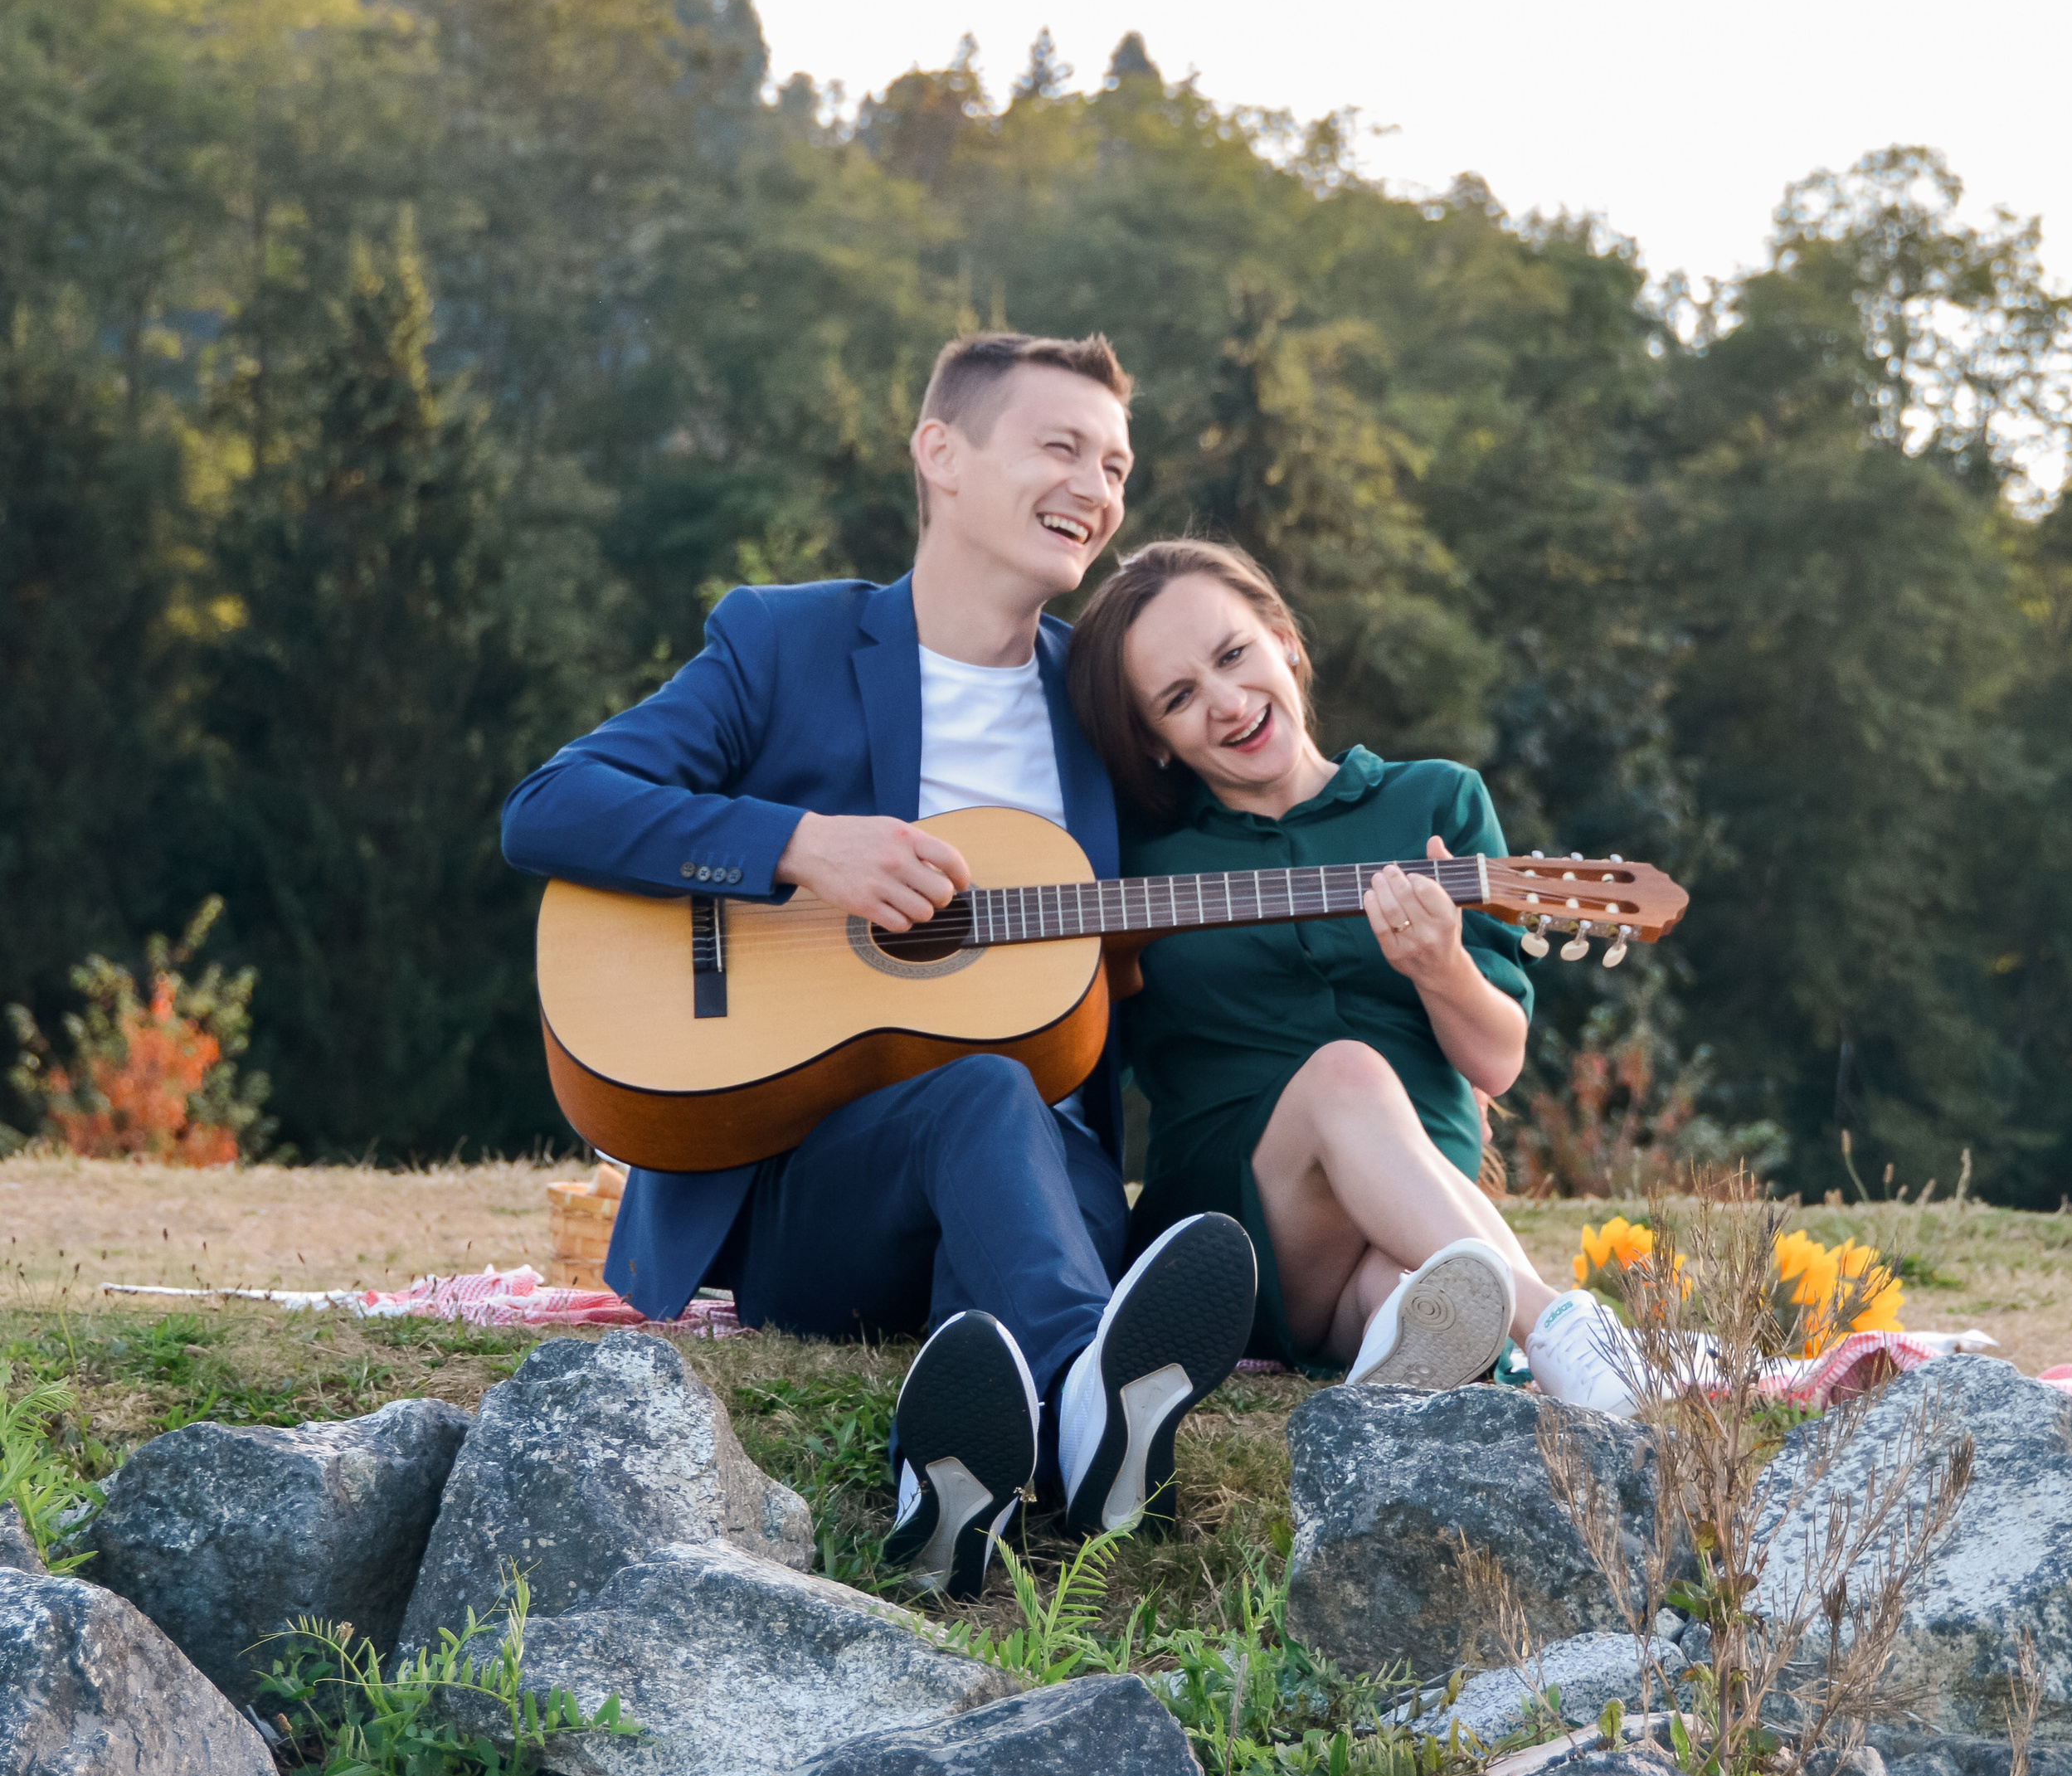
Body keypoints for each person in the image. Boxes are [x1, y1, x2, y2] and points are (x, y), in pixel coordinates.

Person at [500, 336, 1257, 1599]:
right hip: (818, 1199)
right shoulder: (782, 644)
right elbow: (551, 806)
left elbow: (1257, 802)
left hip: (1044, 1200)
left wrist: (1422, 894)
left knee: (1000, 1130)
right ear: (941, 454)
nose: (1097, 486)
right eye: (1062, 447)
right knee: (974, 1090)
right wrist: (794, 846)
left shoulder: (1109, 700)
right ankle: (1092, 1400)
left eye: (1117, 464)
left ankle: (947, 1483)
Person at [1063, 536, 1637, 1411]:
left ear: (1284, 639)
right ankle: (1561, 1328)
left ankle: (1406, 1347)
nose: (1225, 703)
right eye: (1180, 698)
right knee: (1344, 1072)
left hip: (1419, 1206)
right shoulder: (1138, 866)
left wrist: (1442, 968)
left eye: (1233, 655)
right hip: (1246, 1228)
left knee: (1417, 1298)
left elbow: (1495, 1063)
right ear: (1157, 744)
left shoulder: (1436, 803)